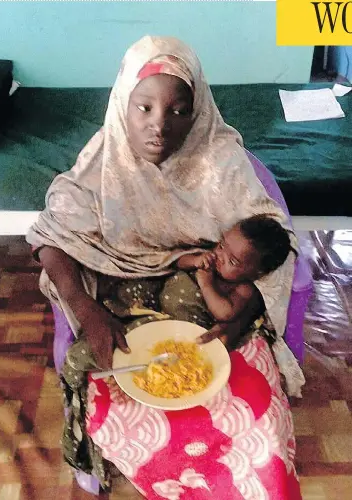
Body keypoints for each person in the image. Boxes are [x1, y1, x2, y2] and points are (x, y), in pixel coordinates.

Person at [27, 36, 304, 499]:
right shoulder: (102, 164)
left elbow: (277, 241)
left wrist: (240, 309)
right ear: (122, 104)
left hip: (213, 312)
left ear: (197, 112)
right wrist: (85, 308)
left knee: (260, 427)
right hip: (120, 310)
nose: (160, 126)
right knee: (124, 407)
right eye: (145, 107)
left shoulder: (221, 163)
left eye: (179, 110)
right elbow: (49, 238)